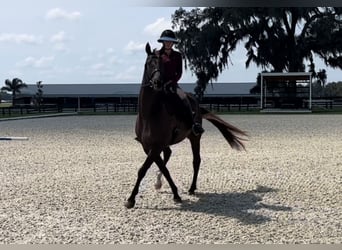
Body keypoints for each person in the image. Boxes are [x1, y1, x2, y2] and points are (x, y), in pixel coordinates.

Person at [157, 29, 204, 136]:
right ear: (163, 42)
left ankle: (193, 124)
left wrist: (171, 82)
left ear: (173, 43)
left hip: (173, 84)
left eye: (170, 41)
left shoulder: (178, 55)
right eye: (166, 41)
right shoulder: (157, 54)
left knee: (183, 98)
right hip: (159, 84)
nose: (168, 43)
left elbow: (179, 72)